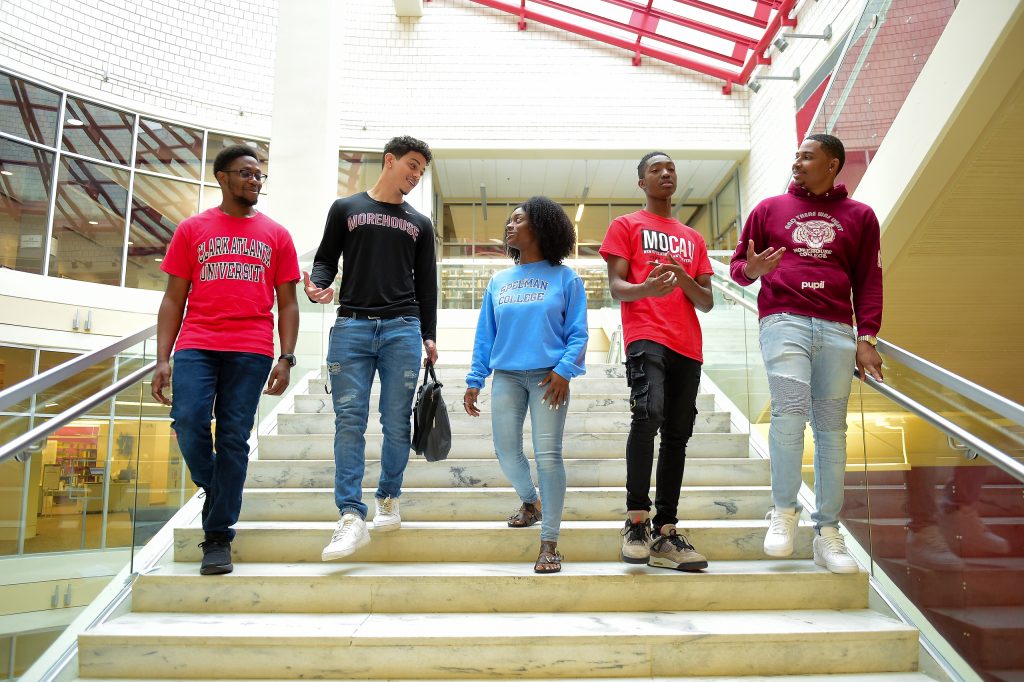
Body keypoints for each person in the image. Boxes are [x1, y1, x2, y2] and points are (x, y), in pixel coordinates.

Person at [730, 133, 884, 574]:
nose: (796, 163)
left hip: (838, 329)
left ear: (832, 164)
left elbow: (868, 280)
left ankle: (828, 532)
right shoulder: (768, 210)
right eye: (796, 155)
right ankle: (783, 512)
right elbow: (738, 268)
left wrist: (867, 336)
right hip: (784, 321)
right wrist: (753, 270)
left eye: (807, 156)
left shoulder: (860, 216)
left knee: (833, 428)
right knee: (790, 411)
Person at [151, 144, 300, 575]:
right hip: (197, 343)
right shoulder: (192, 229)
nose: (255, 181)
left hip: (251, 348)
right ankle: (216, 488)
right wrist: (163, 358)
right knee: (188, 421)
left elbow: (288, 304)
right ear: (222, 177)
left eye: (259, 176)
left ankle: (217, 537)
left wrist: (287, 358)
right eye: (246, 173)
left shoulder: (277, 234)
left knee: (233, 438)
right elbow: (173, 298)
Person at [305, 135, 438, 562]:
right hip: (351, 328)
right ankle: (349, 515)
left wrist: (429, 335)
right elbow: (326, 258)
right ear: (390, 161)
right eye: (412, 165)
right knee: (349, 422)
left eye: (421, 170)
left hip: (403, 328)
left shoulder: (420, 223)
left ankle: (389, 498)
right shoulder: (346, 209)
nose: (416, 175)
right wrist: (317, 285)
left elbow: (427, 285)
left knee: (396, 421)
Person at [599, 151, 714, 572]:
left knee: (678, 433)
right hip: (647, 334)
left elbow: (706, 302)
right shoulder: (626, 226)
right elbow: (616, 287)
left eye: (671, 169)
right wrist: (645, 286)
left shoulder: (693, 239)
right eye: (655, 169)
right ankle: (635, 521)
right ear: (642, 183)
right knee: (648, 415)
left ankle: (666, 532)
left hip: (688, 344)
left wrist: (683, 278)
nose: (666, 173)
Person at [463, 197, 589, 574]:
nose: (509, 226)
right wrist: (474, 379)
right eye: (509, 221)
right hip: (508, 376)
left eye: (518, 220)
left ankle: (549, 542)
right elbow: (486, 335)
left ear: (540, 227)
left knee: (548, 456)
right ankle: (530, 502)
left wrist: (565, 371)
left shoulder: (566, 278)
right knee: (506, 452)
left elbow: (578, 333)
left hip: (549, 378)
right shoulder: (499, 281)